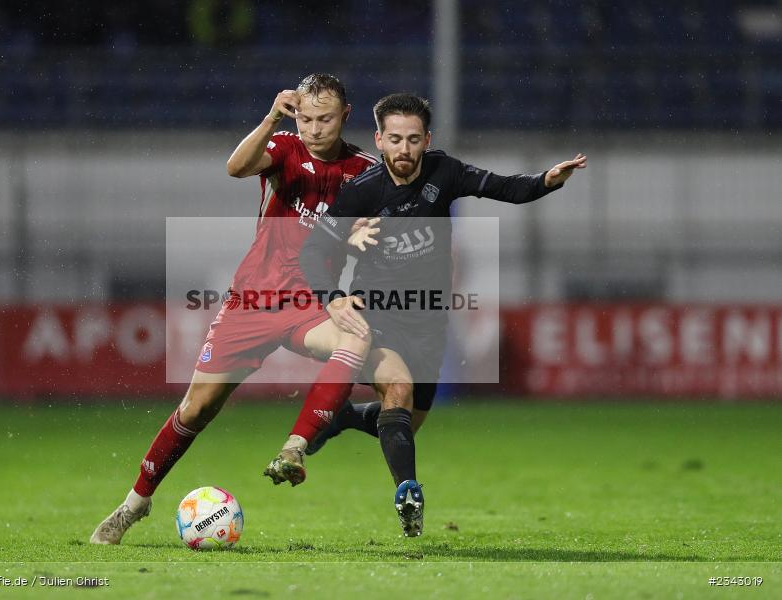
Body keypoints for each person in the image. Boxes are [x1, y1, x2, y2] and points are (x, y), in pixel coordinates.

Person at [90, 74, 377, 544]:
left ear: (346, 116)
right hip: (251, 303)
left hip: (311, 304)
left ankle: (295, 447)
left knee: (359, 338)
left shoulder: (364, 171)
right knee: (196, 408)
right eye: (305, 118)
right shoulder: (284, 148)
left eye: (324, 119)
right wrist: (270, 118)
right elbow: (236, 167)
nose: (313, 128)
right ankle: (134, 504)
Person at [290, 92, 586, 536]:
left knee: (408, 418)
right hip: (375, 314)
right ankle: (407, 492)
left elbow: (504, 188)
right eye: (394, 139)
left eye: (413, 139)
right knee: (399, 389)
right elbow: (314, 249)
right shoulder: (362, 189)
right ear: (379, 139)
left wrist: (547, 179)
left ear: (427, 139)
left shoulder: (444, 172)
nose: (404, 149)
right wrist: (331, 296)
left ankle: (345, 417)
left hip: (427, 319)